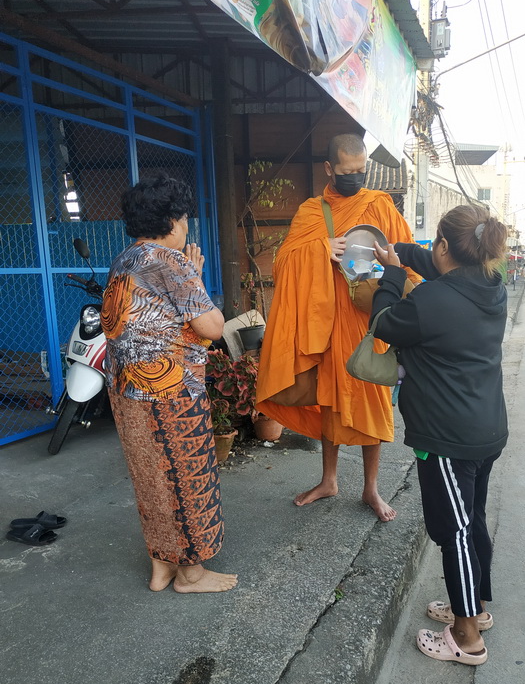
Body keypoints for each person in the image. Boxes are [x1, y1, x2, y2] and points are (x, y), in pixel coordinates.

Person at [256, 133, 421, 521]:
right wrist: (320, 249)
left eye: (361, 171)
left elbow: (405, 254)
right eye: (347, 172)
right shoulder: (311, 212)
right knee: (330, 400)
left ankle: (371, 488)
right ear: (330, 169)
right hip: (328, 324)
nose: (355, 179)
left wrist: (412, 288)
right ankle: (329, 480)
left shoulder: (378, 205)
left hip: (369, 322)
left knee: (371, 402)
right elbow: (283, 263)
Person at [371, 205, 508, 665]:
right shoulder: (492, 286)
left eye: (435, 244)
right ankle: (476, 607)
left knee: (454, 531)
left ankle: (466, 637)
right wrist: (397, 251)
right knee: (472, 520)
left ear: (445, 246)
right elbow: (438, 266)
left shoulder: (430, 302)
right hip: (487, 428)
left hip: (447, 437)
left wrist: (392, 273)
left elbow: (383, 321)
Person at [101, 174, 238, 594]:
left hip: (127, 391)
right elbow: (211, 327)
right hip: (169, 393)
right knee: (186, 478)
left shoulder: (126, 260)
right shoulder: (170, 261)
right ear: (174, 220)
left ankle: (161, 564)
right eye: (185, 219)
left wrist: (189, 277)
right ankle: (191, 574)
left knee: (151, 478)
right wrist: (193, 276)